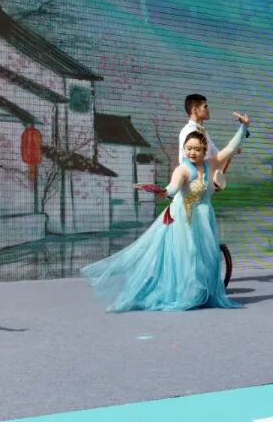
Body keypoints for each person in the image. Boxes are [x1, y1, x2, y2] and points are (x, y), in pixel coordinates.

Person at [83, 115, 251, 311]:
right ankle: (188, 293)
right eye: (189, 148)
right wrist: (162, 191)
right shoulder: (182, 170)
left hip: (205, 216)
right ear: (184, 149)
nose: (192, 152)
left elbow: (230, 149)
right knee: (189, 254)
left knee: (208, 256)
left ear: (205, 150)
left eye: (197, 149)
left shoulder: (211, 164)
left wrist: (244, 127)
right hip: (184, 216)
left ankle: (203, 292)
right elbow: (172, 188)